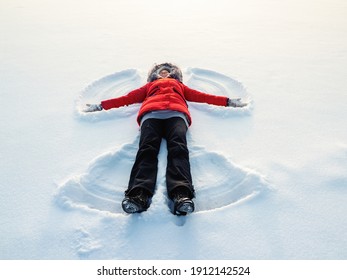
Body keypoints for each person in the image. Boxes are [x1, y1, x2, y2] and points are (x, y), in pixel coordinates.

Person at [84, 63, 247, 215]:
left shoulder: (179, 86)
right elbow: (128, 98)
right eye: (160, 72)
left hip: (176, 115)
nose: (164, 74)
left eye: (167, 71)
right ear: (154, 76)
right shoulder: (149, 86)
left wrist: (227, 102)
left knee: (178, 149)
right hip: (151, 116)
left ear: (174, 75)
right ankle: (138, 195)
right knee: (147, 150)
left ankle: (181, 194)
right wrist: (101, 105)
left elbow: (202, 96)